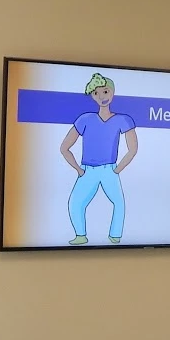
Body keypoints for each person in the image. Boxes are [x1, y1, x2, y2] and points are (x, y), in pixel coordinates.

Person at [59, 72, 138, 245]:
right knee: (75, 203)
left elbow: (133, 149)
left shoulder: (123, 120)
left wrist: (117, 169)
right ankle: (81, 235)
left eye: (105, 91)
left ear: (112, 92)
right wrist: (79, 169)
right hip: (88, 170)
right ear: (93, 96)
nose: (102, 96)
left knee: (118, 203)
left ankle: (115, 236)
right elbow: (64, 148)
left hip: (109, 169)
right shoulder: (85, 119)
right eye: (96, 93)